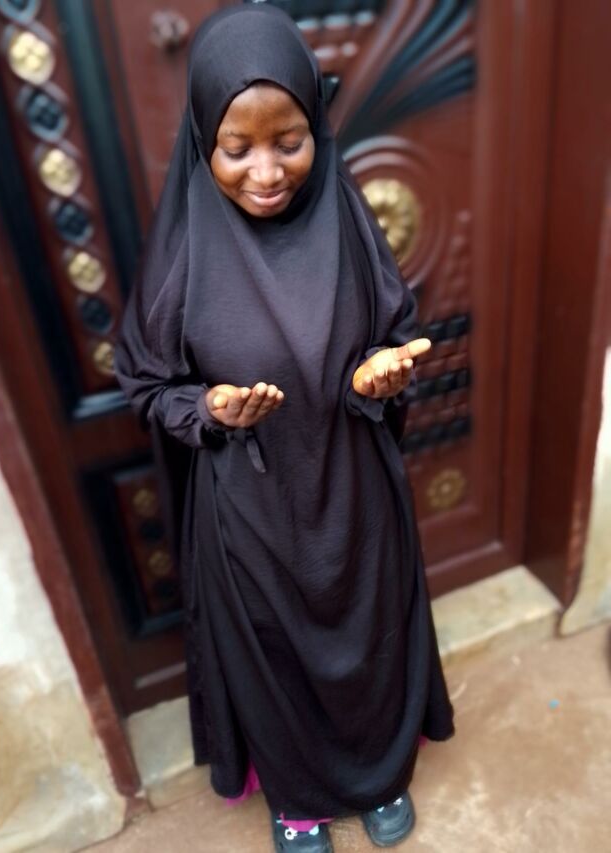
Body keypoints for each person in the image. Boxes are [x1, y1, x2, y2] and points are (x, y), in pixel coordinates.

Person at [115, 5, 454, 851]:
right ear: (204, 139)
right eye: (237, 149)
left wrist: (377, 371)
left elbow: (391, 330)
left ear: (317, 129)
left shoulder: (347, 220)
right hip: (252, 507)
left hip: (353, 486)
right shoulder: (183, 250)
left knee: (370, 631)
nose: (267, 172)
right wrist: (208, 409)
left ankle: (379, 774)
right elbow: (147, 382)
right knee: (272, 651)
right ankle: (296, 797)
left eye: (290, 141)